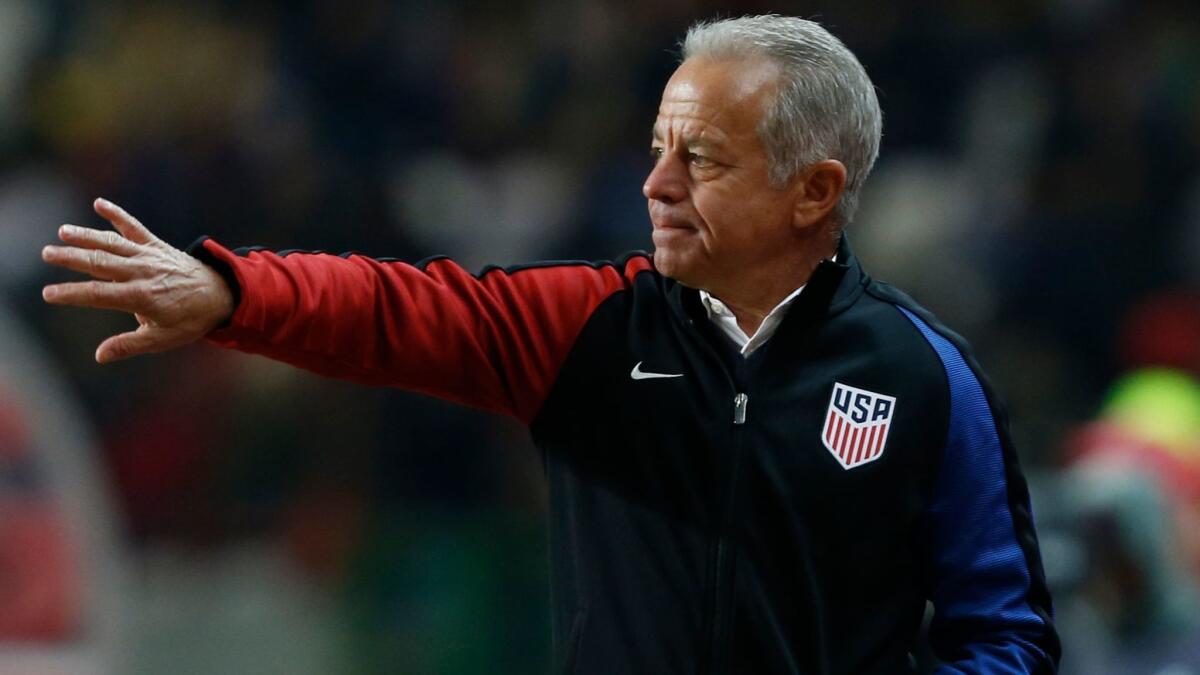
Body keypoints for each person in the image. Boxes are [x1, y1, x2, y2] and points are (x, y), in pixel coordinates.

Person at [40, 15, 1060, 674]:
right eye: (659, 150)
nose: (656, 185)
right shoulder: (592, 328)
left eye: (699, 158)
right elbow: (396, 311)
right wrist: (232, 289)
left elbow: (1006, 634)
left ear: (815, 191)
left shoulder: (927, 378)